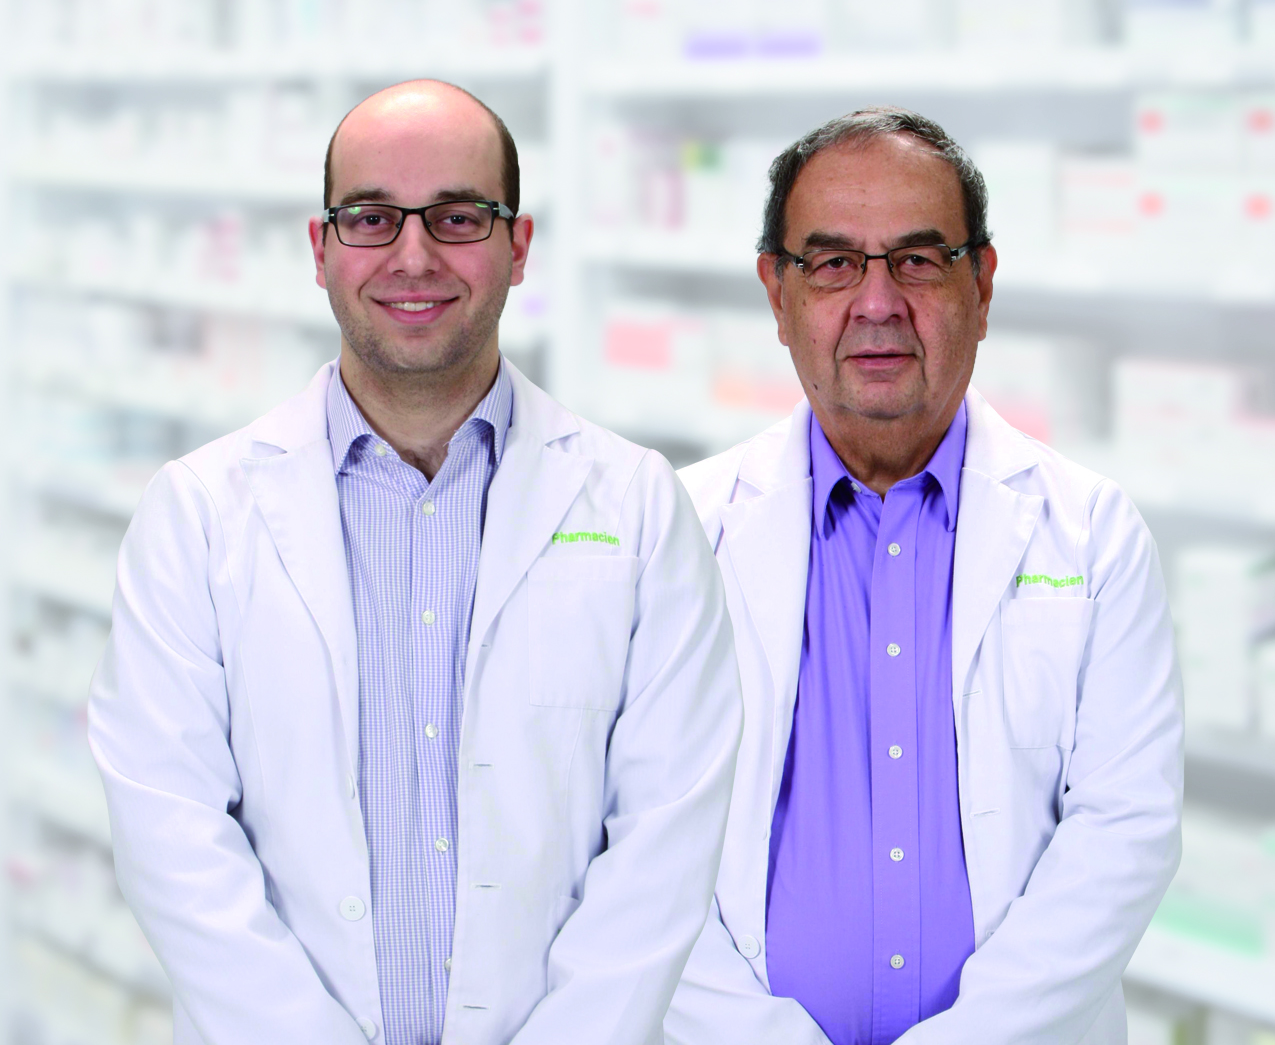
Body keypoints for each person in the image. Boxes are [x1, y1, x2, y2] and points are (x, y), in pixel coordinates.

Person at [88, 79, 742, 1045]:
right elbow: (172, 840)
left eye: (458, 216)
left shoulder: (641, 509)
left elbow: (664, 846)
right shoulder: (197, 514)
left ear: (518, 247)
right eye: (370, 218)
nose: (413, 254)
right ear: (321, 251)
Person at [666, 107, 1183, 1045]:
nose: (877, 303)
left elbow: (1122, 835)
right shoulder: (678, 535)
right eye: (832, 263)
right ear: (777, 295)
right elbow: (639, 846)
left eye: (916, 260)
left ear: (979, 286)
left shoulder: (1093, 535)